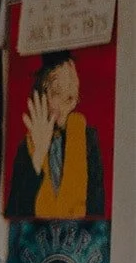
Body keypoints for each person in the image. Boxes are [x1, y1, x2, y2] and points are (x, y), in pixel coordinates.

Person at [6, 52, 105, 218]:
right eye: (56, 94)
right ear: (42, 95)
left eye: (69, 98)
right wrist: (38, 155)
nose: (62, 107)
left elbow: (96, 211)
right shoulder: (27, 146)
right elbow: (15, 216)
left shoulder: (88, 139)